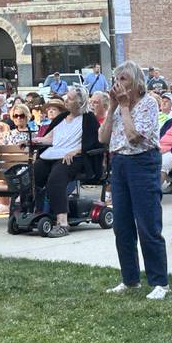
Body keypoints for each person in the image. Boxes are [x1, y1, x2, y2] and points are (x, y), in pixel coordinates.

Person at [99, 60, 170, 300]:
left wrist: (125, 107)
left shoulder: (148, 103)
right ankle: (130, 279)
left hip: (142, 162)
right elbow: (103, 138)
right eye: (116, 80)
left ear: (137, 83)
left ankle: (159, 282)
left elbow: (134, 137)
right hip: (119, 163)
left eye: (123, 80)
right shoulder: (119, 107)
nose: (117, 84)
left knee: (148, 224)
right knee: (122, 225)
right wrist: (111, 109)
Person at [33, 86, 101, 238]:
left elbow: (94, 142)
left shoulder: (88, 118)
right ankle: (38, 210)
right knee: (36, 169)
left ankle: (62, 222)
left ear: (80, 102)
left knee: (56, 177)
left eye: (70, 98)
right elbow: (49, 138)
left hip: (75, 157)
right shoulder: (61, 118)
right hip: (53, 154)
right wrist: (36, 140)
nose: (66, 100)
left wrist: (76, 150)